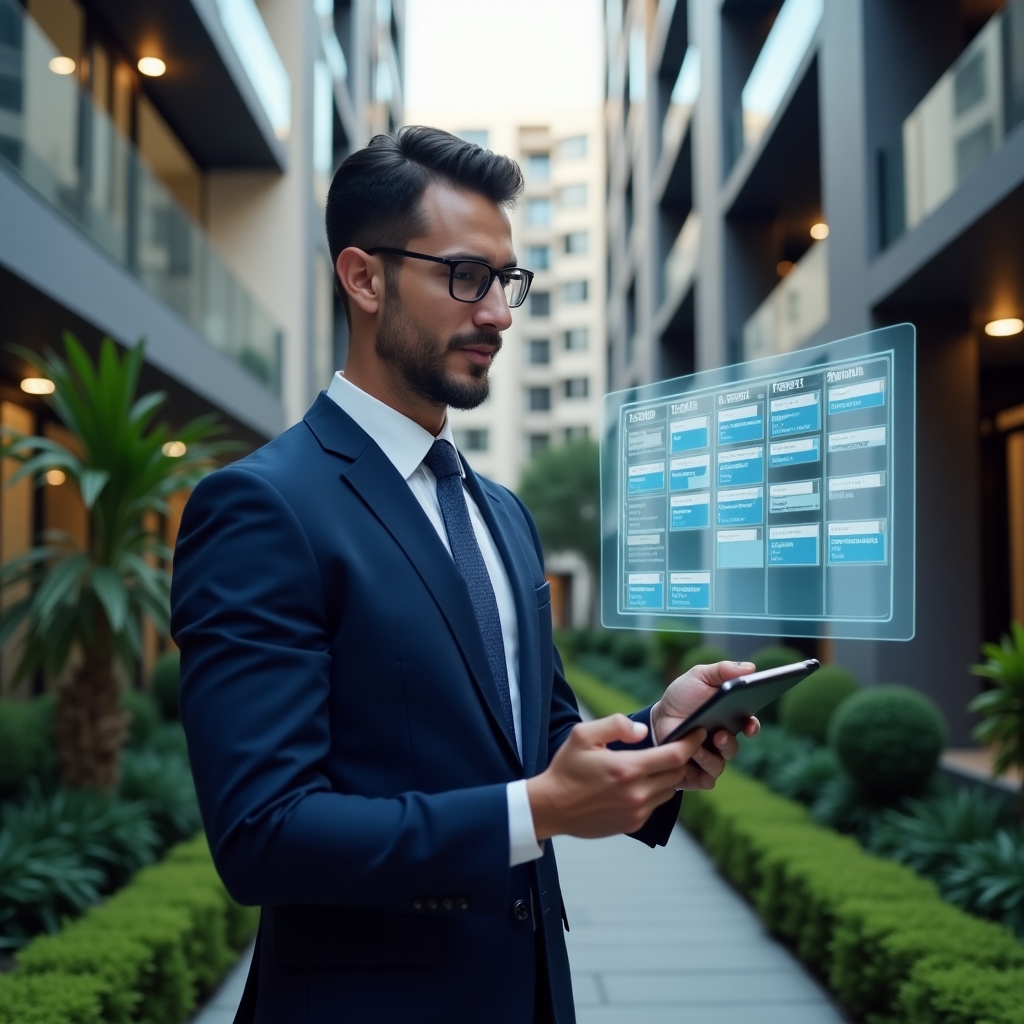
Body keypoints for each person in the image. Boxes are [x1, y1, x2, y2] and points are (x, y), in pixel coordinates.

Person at [170, 126, 759, 1024]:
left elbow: (535, 741)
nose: (499, 313)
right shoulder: (261, 508)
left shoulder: (502, 514)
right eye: (465, 277)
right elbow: (263, 835)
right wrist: (534, 813)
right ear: (364, 278)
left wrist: (658, 735)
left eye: (507, 282)